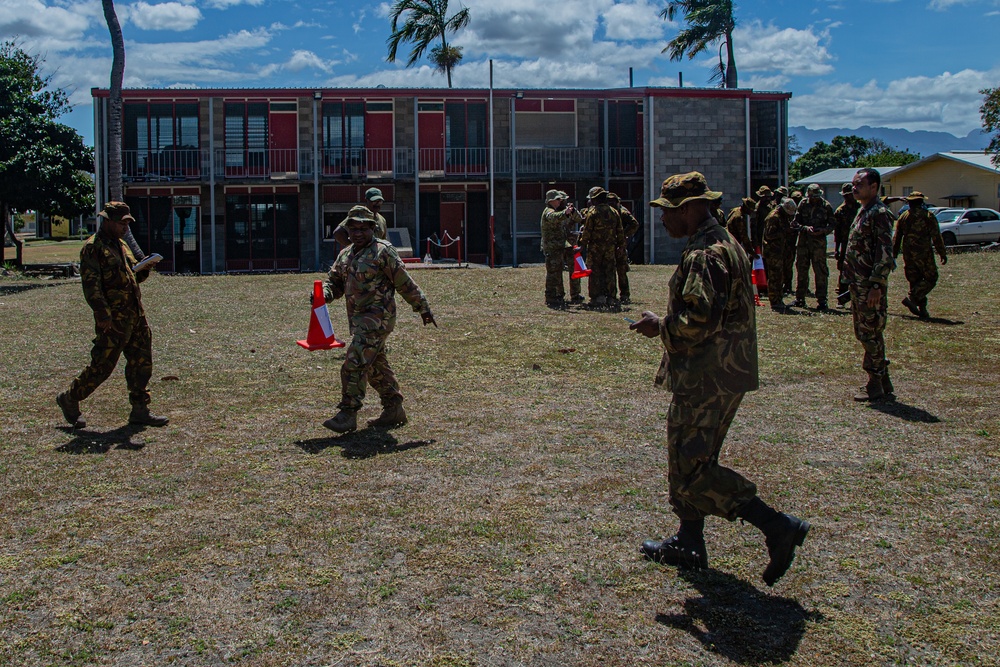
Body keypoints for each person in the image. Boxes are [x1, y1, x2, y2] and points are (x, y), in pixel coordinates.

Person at [630, 172, 809, 587]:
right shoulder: (727, 242)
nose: (663, 220)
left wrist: (662, 325)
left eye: (669, 211)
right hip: (727, 372)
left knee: (691, 470)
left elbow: (699, 320)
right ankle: (689, 542)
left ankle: (776, 525)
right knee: (691, 459)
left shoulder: (704, 254)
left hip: (707, 376)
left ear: (693, 208)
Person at [322, 206, 436, 433]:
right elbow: (334, 281)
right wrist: (323, 293)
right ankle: (394, 409)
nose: (357, 233)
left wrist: (422, 308)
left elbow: (405, 283)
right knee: (375, 366)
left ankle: (348, 413)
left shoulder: (383, 252)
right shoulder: (346, 254)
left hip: (378, 320)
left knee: (354, 363)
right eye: (353, 228)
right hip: (358, 321)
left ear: (373, 228)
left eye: (363, 228)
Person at [56, 202, 169, 429]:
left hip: (135, 315)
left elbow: (131, 277)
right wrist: (102, 313)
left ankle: (140, 409)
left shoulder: (122, 246)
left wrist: (143, 269)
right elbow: (92, 285)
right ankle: (69, 398)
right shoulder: (93, 248)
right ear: (107, 221)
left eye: (127, 223)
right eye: (121, 223)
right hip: (113, 320)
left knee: (142, 363)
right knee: (102, 367)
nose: (125, 228)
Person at [845, 168, 896, 402]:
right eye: (854, 184)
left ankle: (874, 383)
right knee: (867, 331)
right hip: (859, 283)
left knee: (870, 333)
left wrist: (876, 284)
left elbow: (885, 252)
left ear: (874, 187)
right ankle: (883, 380)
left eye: (859, 184)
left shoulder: (879, 213)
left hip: (869, 285)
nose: (854, 188)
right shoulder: (863, 211)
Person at [893, 191, 947, 319]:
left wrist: (894, 254)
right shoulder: (928, 216)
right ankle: (913, 298)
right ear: (921, 202)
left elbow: (897, 237)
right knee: (931, 277)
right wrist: (942, 253)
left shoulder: (903, 216)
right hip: (924, 253)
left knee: (915, 280)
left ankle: (922, 309)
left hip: (908, 253)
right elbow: (936, 237)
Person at [579, 186, 624, 309]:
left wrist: (582, 245)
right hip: (610, 248)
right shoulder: (614, 212)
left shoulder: (592, 213)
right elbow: (620, 231)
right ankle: (611, 297)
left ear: (595, 199)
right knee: (610, 272)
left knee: (595, 272)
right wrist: (621, 246)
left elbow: (587, 231)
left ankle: (596, 298)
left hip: (595, 249)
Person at [792, 183, 836, 309]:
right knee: (802, 270)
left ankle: (822, 300)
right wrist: (805, 228)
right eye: (812, 197)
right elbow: (795, 223)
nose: (814, 199)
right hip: (803, 243)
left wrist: (823, 231)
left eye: (816, 197)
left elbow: (832, 224)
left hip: (818, 244)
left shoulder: (826, 206)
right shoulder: (803, 204)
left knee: (821, 271)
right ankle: (800, 298)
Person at [540, 189, 583, 308]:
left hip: (564, 245)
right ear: (552, 200)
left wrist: (572, 211)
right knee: (554, 272)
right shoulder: (549, 212)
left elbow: (579, 219)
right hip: (553, 247)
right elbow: (554, 217)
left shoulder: (561, 211)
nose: (561, 201)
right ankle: (552, 296)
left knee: (566, 270)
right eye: (559, 199)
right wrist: (565, 213)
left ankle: (570, 294)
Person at [763, 198, 798, 312]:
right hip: (773, 252)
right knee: (774, 277)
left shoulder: (782, 217)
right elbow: (769, 235)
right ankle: (774, 301)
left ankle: (779, 299)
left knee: (780, 276)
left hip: (780, 251)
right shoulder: (774, 217)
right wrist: (784, 231)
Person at [608, 192, 640, 303]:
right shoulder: (608, 212)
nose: (611, 204)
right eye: (609, 202)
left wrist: (624, 234)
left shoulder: (623, 212)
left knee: (621, 270)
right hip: (610, 244)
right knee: (610, 270)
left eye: (613, 202)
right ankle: (611, 294)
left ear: (617, 202)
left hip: (620, 245)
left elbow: (634, 224)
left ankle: (625, 294)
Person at [833, 182, 860, 307]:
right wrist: (836, 249)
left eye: (849, 195)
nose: (847, 197)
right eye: (845, 195)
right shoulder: (840, 211)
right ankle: (841, 298)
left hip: (859, 244)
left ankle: (857, 298)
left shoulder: (860, 208)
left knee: (859, 271)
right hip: (845, 245)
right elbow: (837, 232)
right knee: (844, 272)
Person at [751, 185, 774, 251]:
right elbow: (754, 227)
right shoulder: (757, 209)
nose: (768, 199)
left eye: (769, 197)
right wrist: (755, 243)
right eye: (765, 197)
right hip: (760, 238)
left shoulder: (770, 207)